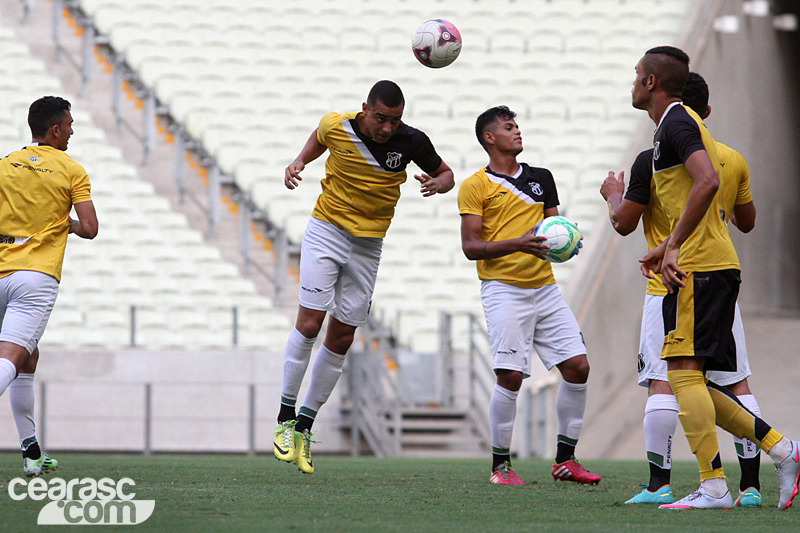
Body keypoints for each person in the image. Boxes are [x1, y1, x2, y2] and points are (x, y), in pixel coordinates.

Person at [627, 46, 799, 510]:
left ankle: (715, 485)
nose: (633, 80)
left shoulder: (677, 122)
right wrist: (665, 246)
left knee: (682, 377)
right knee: (694, 380)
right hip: (704, 266)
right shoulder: (676, 125)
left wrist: (675, 245)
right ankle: (781, 449)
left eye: (637, 74)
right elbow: (699, 196)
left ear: (650, 83)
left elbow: (705, 182)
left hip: (699, 270)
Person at [273, 80, 454, 474]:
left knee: (342, 336)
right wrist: (300, 160)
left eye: (395, 120)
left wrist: (439, 183)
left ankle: (305, 425)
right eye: (381, 118)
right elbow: (319, 137)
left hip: (369, 245)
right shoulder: (338, 126)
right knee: (310, 322)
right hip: (327, 230)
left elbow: (446, 174)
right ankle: (285, 418)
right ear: (364, 109)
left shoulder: (412, 141)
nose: (387, 128)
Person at [602, 72, 763, 507]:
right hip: (723, 278)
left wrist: (613, 196)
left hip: (672, 281)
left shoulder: (651, 158)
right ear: (705, 112)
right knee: (735, 382)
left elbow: (624, 223)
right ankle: (751, 486)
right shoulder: (731, 158)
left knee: (665, 382)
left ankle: (661, 483)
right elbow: (747, 222)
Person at [457, 105, 600, 486]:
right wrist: (518, 244)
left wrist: (569, 243)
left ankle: (565, 461)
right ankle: (500, 467)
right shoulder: (476, 185)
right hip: (504, 290)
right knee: (511, 375)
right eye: (508, 127)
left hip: (545, 288)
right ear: (490, 137)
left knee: (578, 368)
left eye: (517, 125)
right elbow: (471, 247)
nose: (517, 131)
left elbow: (555, 227)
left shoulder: (541, 178)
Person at [0, 96, 98, 476]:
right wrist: (66, 224)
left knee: (28, 357)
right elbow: (89, 228)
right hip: (35, 277)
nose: (72, 130)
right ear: (55, 129)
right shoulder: (72, 170)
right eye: (70, 124)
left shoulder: (6, 165)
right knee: (10, 358)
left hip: (2, 271)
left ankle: (31, 451)